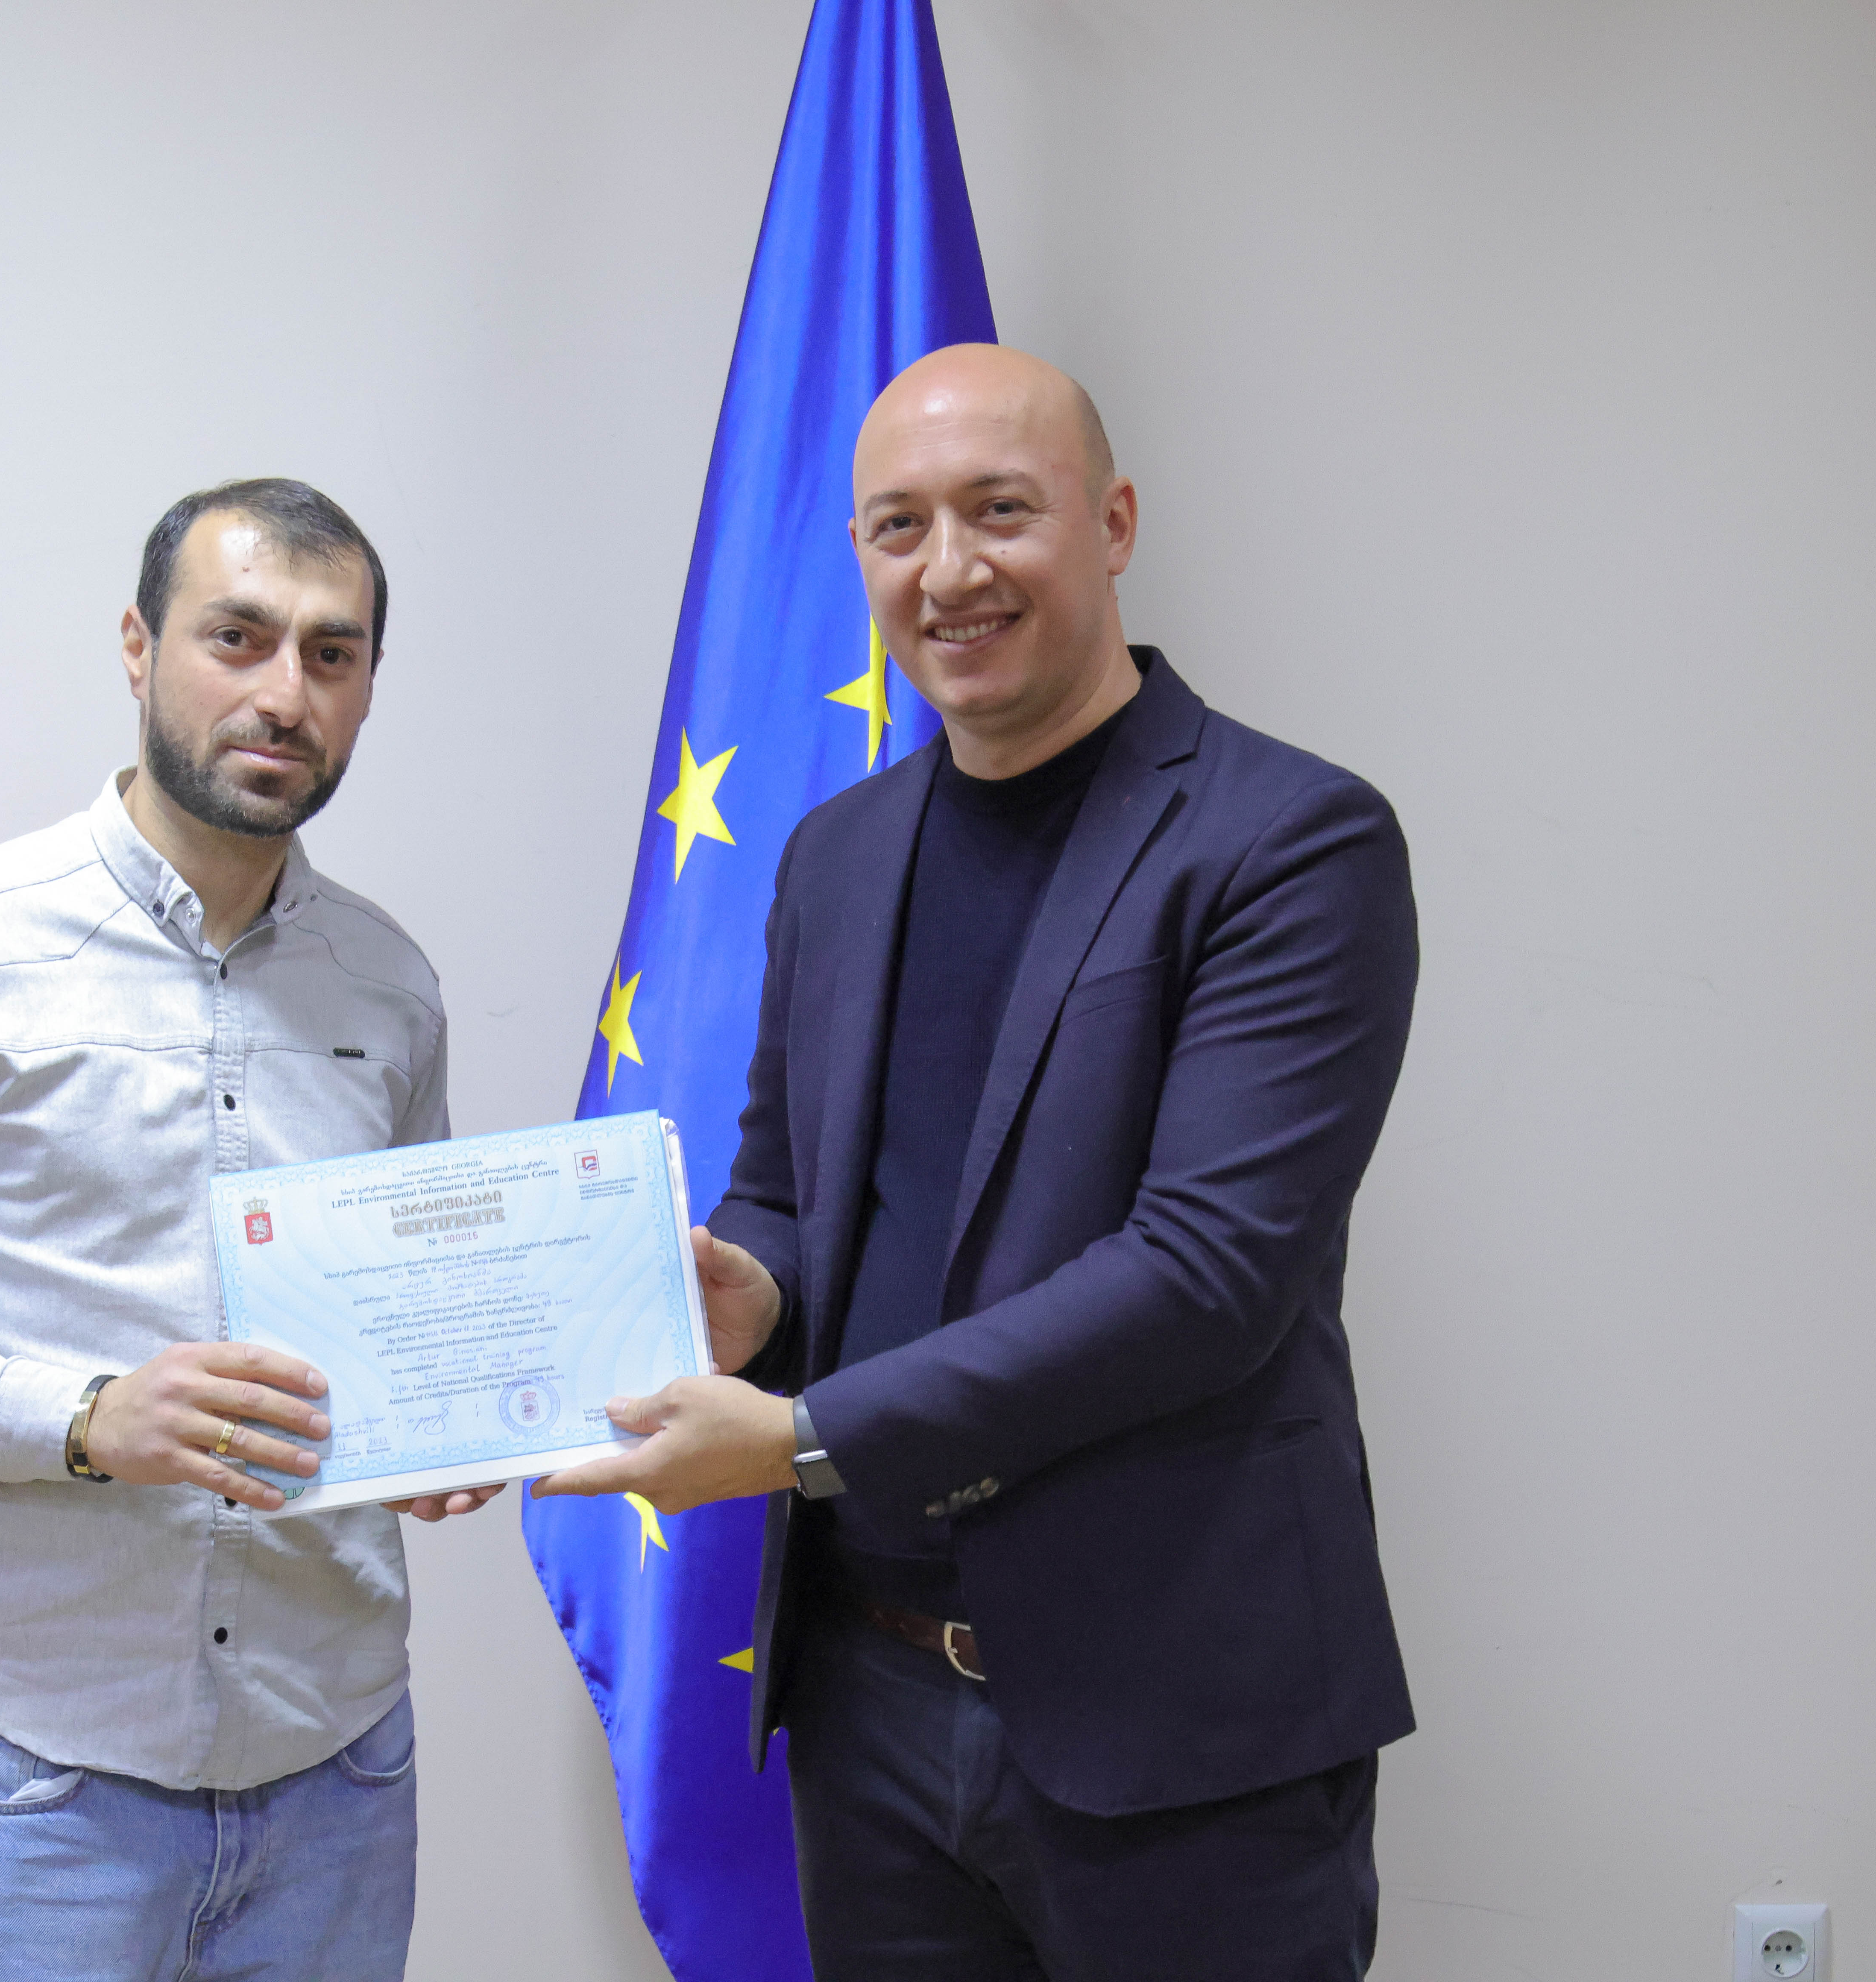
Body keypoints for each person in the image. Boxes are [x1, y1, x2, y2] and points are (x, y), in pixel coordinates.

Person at [532, 345, 1419, 1979]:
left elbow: (1207, 1277)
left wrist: (801, 1436)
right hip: (867, 1699)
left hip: (1180, 1716)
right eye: (900, 526)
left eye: (1001, 511)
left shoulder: (1291, 841)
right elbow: (786, 1188)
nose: (949, 572)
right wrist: (747, 1291)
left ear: (1114, 522)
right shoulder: (838, 854)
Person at [0, 478, 499, 1982]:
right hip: (45, 1785)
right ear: (140, 648)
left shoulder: (390, 985)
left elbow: (407, 1318)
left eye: (331, 654)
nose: (284, 693)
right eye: (238, 637)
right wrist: (86, 1419)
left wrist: (439, 1426)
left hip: (340, 1771)